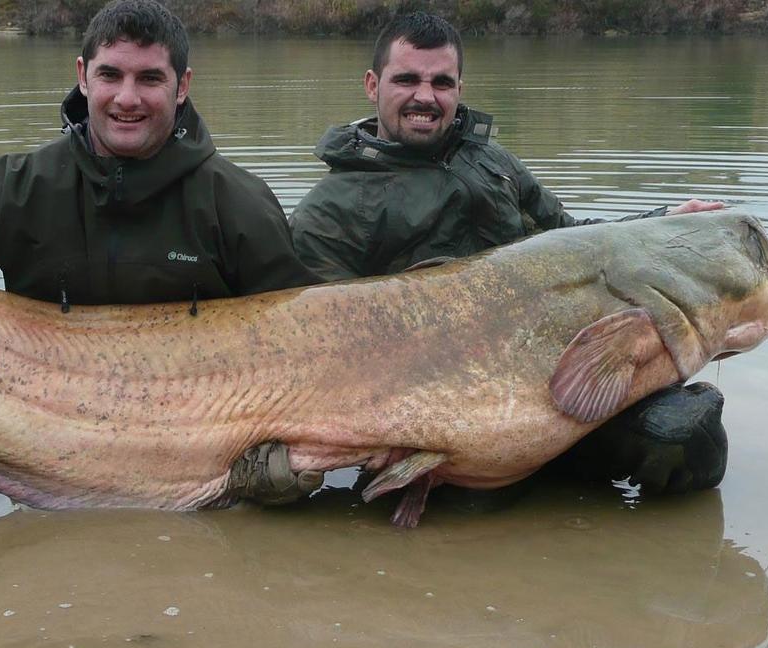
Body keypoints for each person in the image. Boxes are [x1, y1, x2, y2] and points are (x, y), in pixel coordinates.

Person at [0, 0, 323, 505]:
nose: (127, 98)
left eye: (150, 78)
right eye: (110, 75)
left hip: (202, 472)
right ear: (83, 76)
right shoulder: (17, 187)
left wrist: (284, 464)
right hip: (40, 465)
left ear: (182, 85)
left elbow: (307, 349)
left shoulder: (238, 203)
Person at [290, 12, 728, 501]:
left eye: (441, 82)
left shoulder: (492, 162)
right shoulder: (328, 211)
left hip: (554, 381)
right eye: (407, 79)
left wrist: (662, 220)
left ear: (459, 87)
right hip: (431, 414)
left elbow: (573, 240)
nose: (425, 97)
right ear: (373, 85)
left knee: (689, 439)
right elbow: (316, 346)